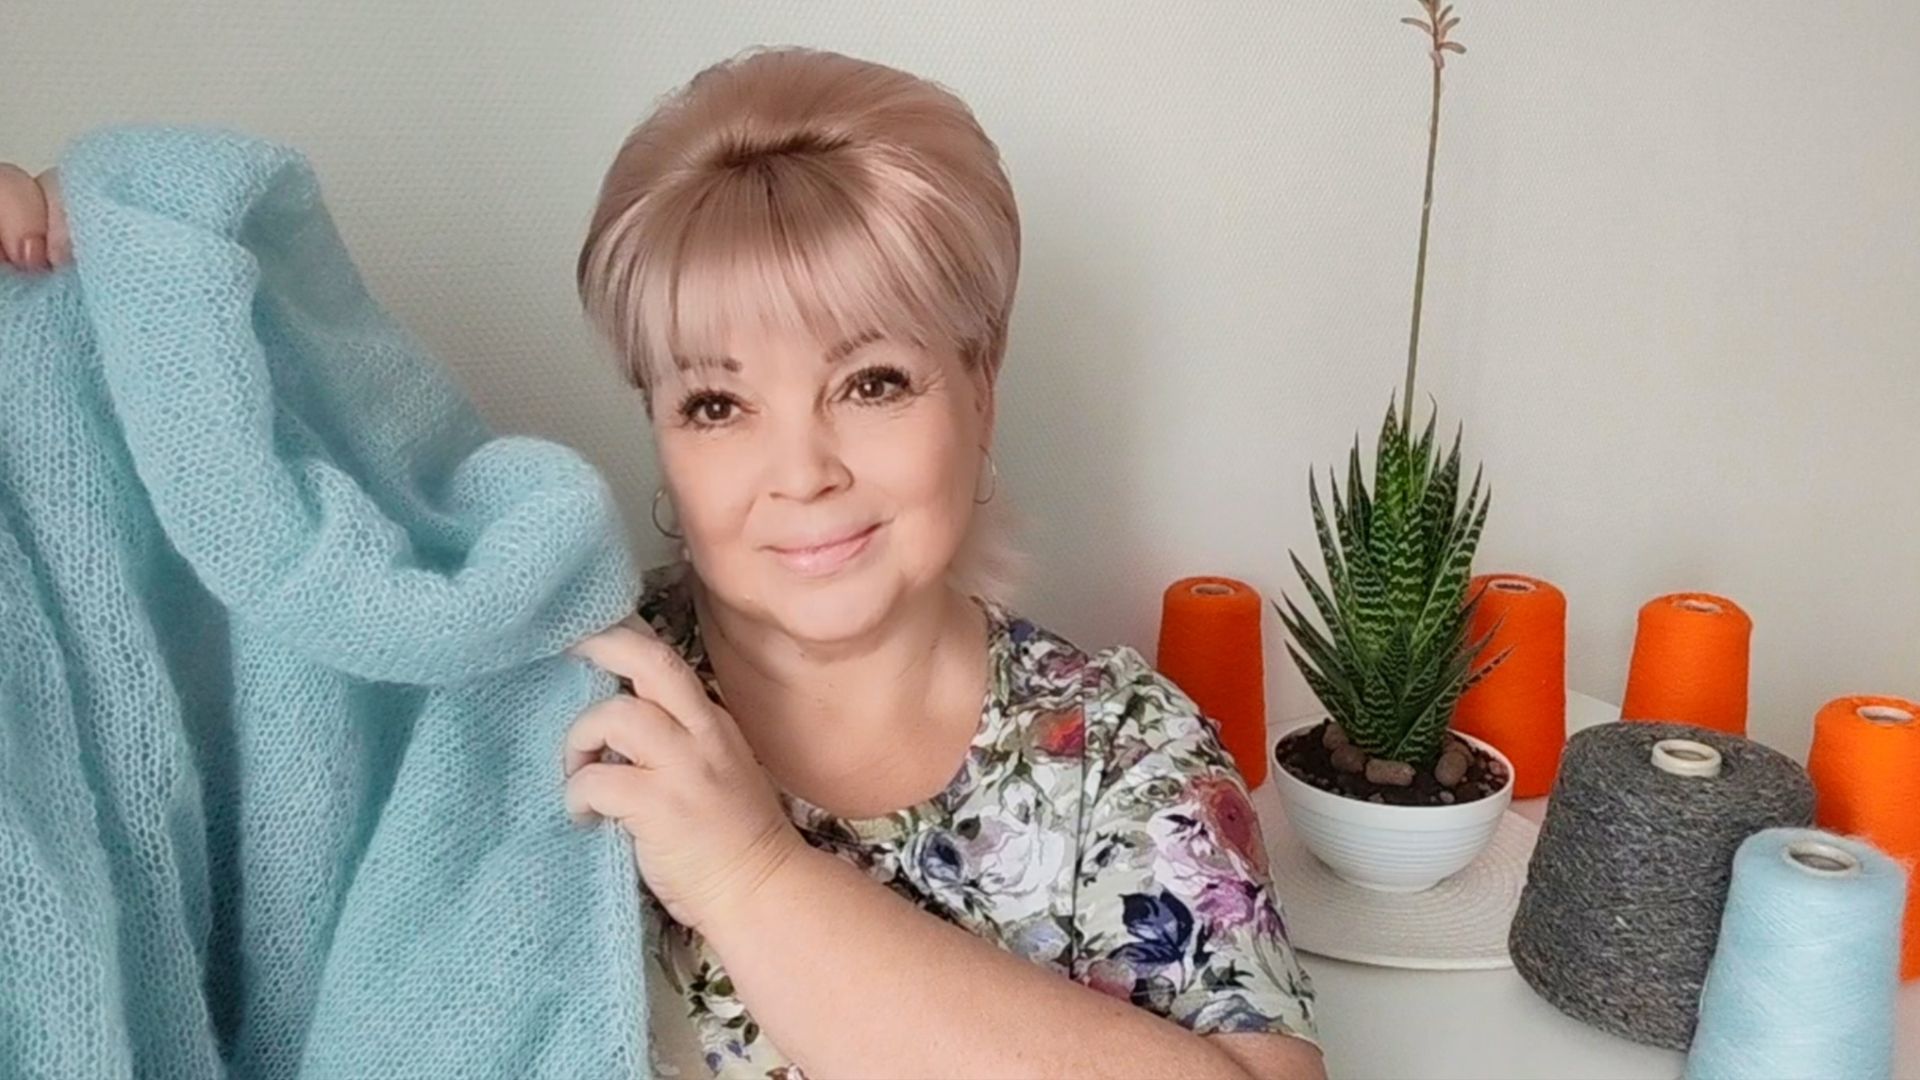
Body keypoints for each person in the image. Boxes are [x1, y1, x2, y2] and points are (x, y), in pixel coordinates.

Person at [1, 46, 1322, 1080]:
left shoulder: (1125, 753)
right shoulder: (537, 712)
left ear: (980, 385)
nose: (800, 471)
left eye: (870, 381)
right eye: (717, 403)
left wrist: (751, 876)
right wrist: (88, 299)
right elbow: (146, 769)